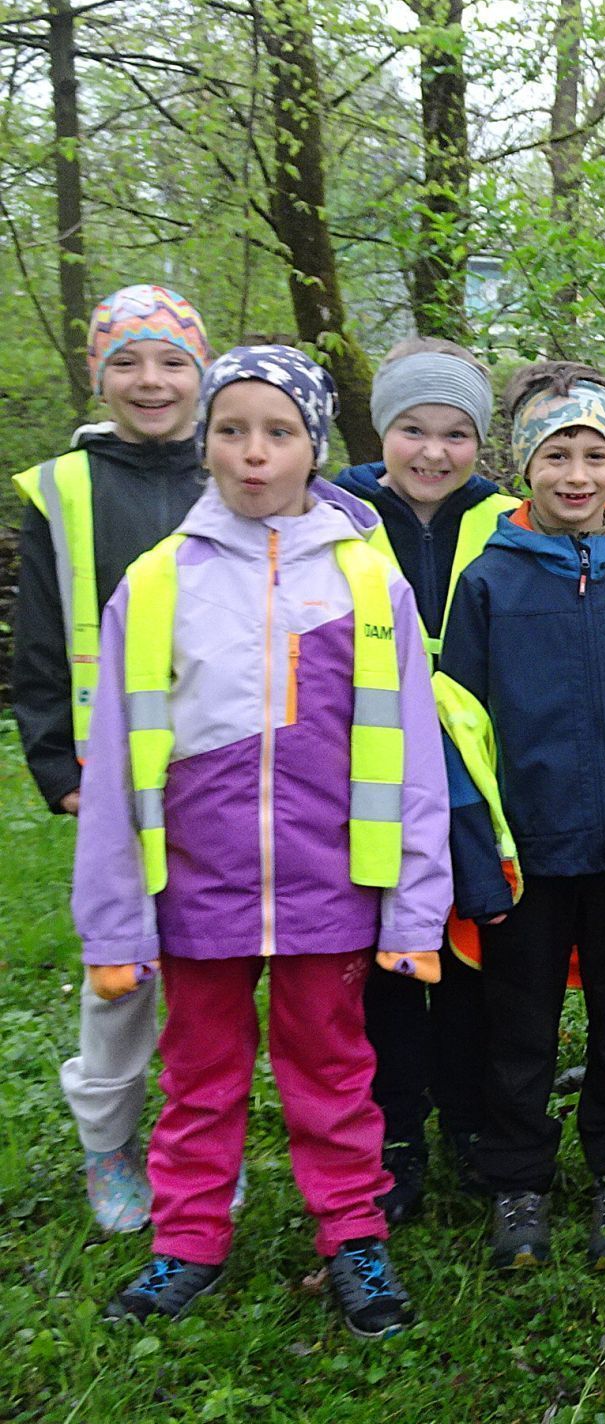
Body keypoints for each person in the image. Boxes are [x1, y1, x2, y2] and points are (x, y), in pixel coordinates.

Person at [75, 345, 448, 1338]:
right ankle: (185, 1243)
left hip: (332, 892)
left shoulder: (370, 585)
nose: (252, 454)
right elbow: (113, 769)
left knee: (334, 1076)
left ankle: (354, 1238)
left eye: (277, 433)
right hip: (197, 896)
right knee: (198, 1078)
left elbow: (413, 761)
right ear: (205, 442)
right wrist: (114, 929)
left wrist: (415, 907)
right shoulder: (157, 585)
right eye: (231, 430)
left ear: (312, 447)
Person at [437, 366, 605, 1270]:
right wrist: (475, 848)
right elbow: (458, 720)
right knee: (519, 1020)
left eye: (594, 454)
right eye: (555, 455)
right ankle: (517, 1182)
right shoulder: (491, 579)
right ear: (523, 464)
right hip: (526, 851)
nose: (576, 474)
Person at [11, 283, 210, 1233]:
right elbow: (40, 644)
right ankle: (107, 1142)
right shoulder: (66, 489)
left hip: (219, 767)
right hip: (113, 775)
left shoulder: (237, 469)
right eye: (126, 362)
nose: (151, 380)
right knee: (121, 974)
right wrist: (59, 766)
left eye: (172, 361)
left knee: (206, 970)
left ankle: (194, 1143)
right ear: (100, 375)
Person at [336, 337, 518, 1221]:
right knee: (388, 955)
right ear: (384, 430)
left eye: (456, 434)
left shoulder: (508, 516)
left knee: (472, 946)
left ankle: (474, 1120)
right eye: (414, 430)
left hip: (481, 766)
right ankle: (395, 1132)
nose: (435, 452)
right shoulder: (337, 511)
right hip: (368, 759)